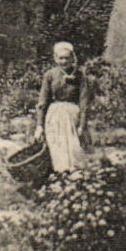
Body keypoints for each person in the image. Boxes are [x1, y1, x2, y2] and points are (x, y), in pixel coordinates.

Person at [33, 41, 91, 172]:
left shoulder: (80, 76)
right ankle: (59, 174)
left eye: (67, 58)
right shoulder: (50, 75)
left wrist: (82, 125)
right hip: (54, 116)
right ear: (55, 58)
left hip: (72, 116)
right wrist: (39, 125)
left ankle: (75, 175)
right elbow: (42, 101)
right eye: (61, 58)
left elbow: (84, 101)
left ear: (72, 58)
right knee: (57, 145)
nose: (64, 61)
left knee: (74, 146)